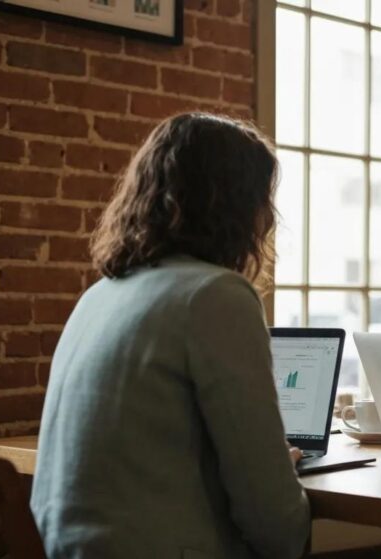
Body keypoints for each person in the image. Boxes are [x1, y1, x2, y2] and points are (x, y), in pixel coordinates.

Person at [31, 113, 310, 559]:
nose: (268, 218)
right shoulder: (216, 295)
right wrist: (285, 482)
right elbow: (276, 523)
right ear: (239, 206)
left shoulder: (99, 295)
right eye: (264, 199)